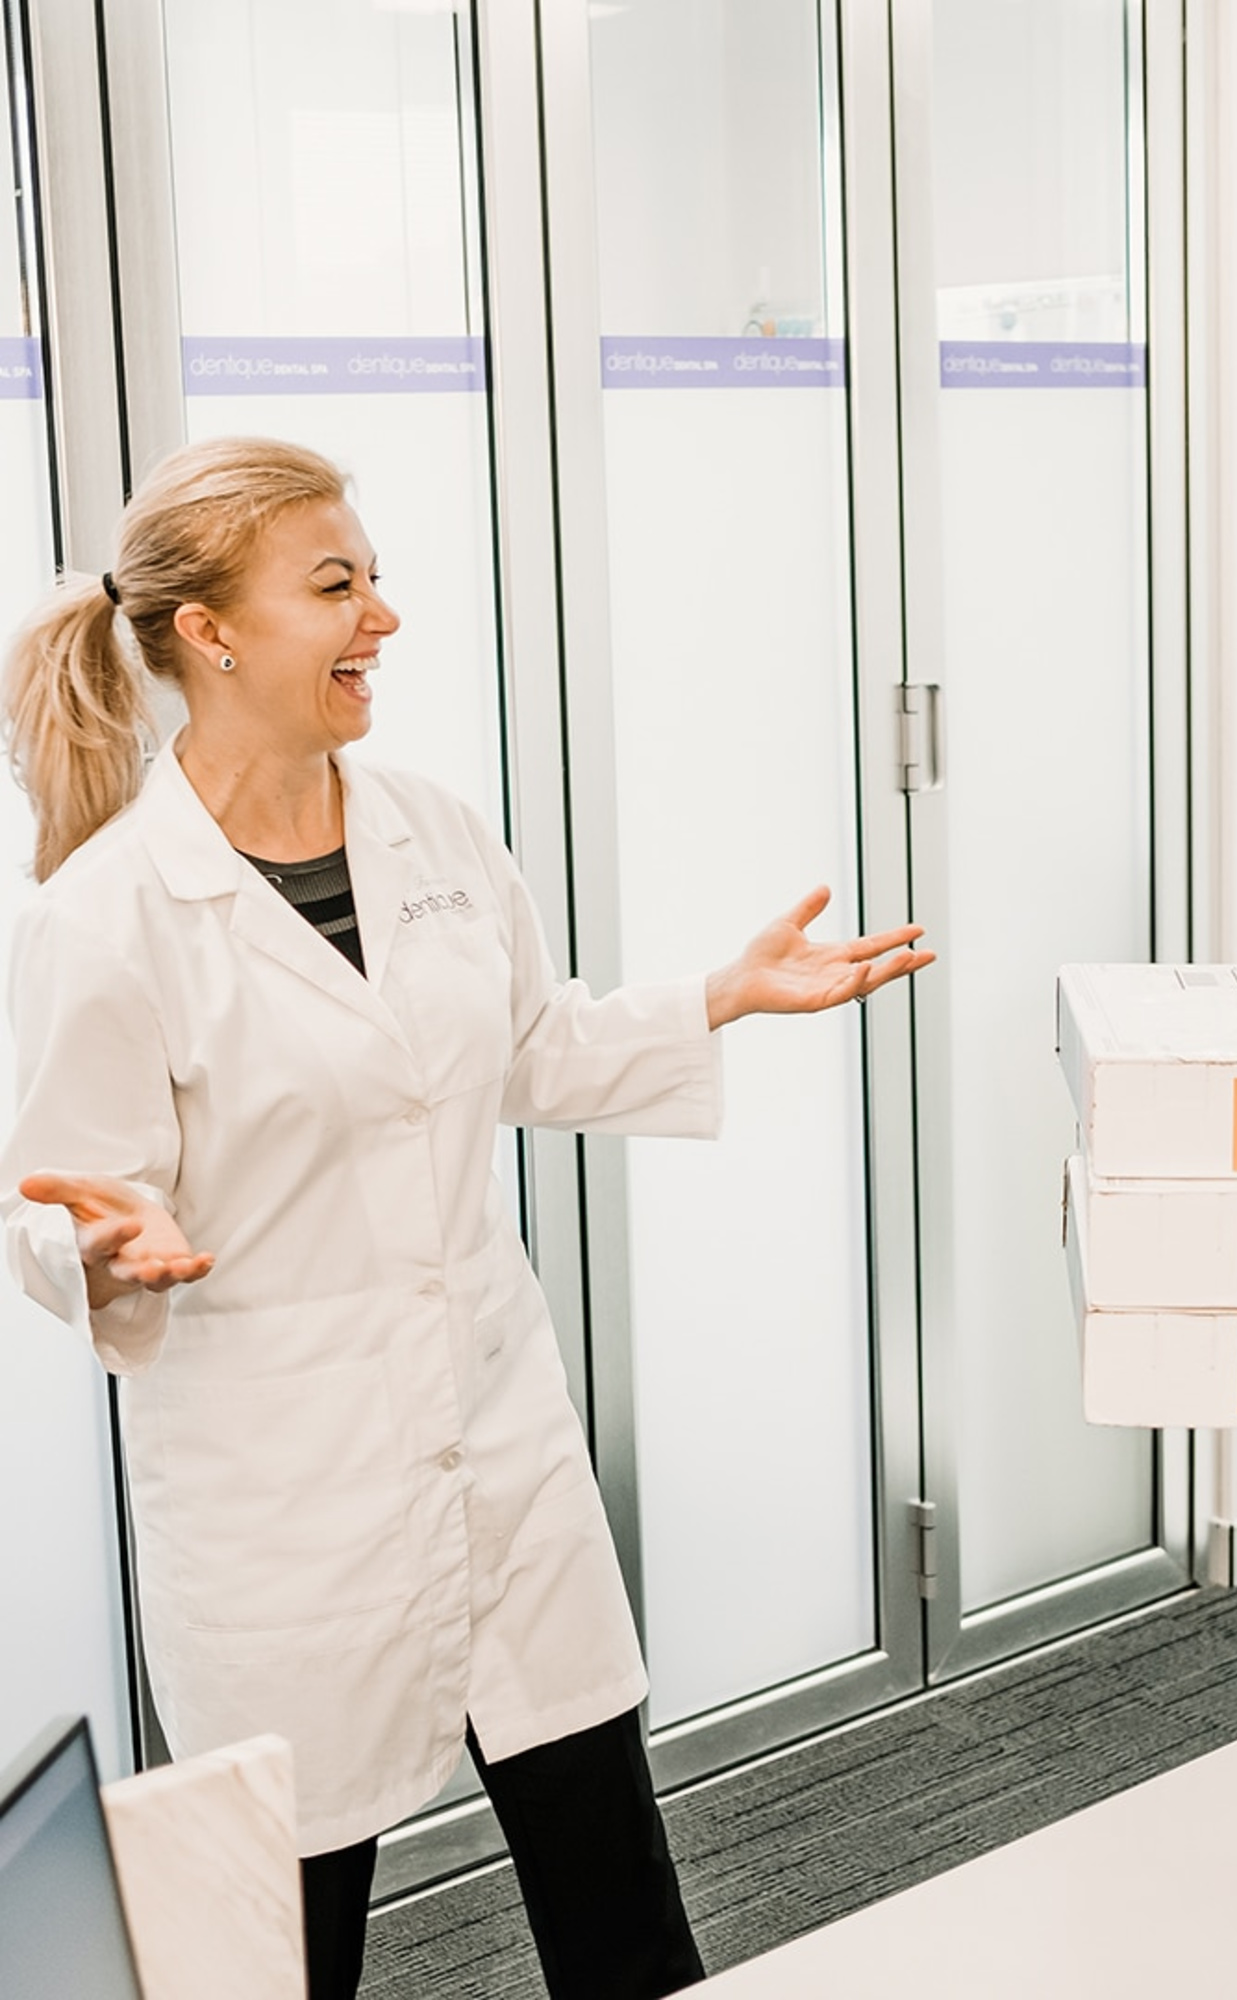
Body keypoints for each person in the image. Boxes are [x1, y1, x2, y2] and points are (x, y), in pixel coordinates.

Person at [0, 435, 933, 1999]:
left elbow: (522, 1049)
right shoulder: (106, 914)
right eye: (337, 584)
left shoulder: (430, 829)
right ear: (211, 632)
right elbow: (59, 1199)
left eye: (373, 575)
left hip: (500, 1462)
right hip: (284, 1514)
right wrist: (101, 1252)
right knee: (285, 1956)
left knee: (620, 1912)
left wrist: (725, 994)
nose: (386, 614)